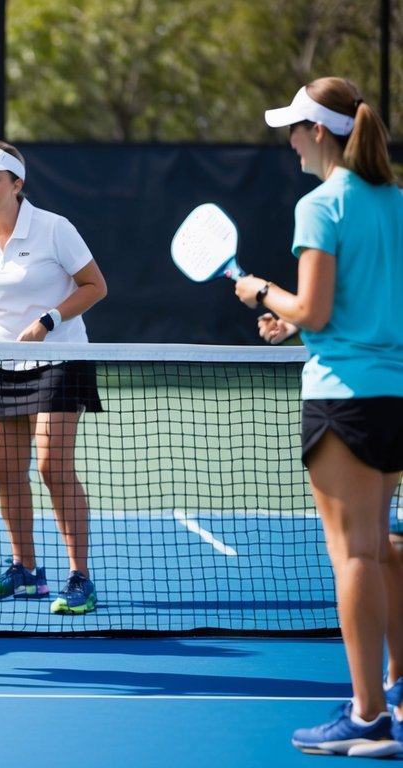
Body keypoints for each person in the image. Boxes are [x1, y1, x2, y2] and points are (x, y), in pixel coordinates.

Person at [245, 77, 403, 757]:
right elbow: (343, 309)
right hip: (393, 394)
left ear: (317, 132)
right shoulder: (395, 203)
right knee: (385, 547)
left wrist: (260, 292)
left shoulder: (321, 204)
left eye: (293, 129)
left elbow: (311, 307)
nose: (288, 141)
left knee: (354, 555)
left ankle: (367, 717)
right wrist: (298, 325)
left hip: (343, 396)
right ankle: (395, 684)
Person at [0, 141, 108, 616]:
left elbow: (95, 286)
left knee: (53, 464)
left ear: (17, 184)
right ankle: (27, 570)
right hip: (0, 363)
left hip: (60, 357)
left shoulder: (56, 229)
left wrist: (47, 322)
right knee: (3, 470)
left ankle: (80, 577)